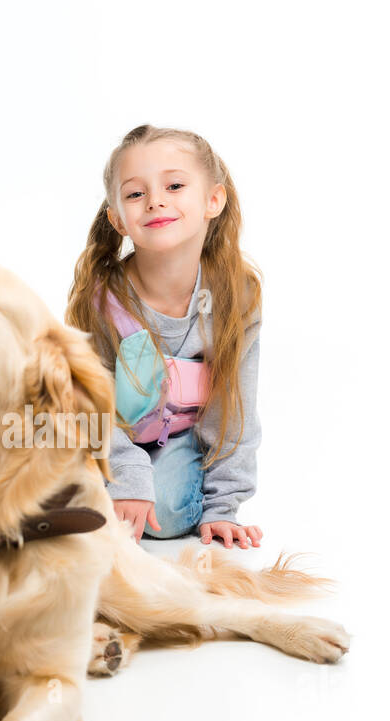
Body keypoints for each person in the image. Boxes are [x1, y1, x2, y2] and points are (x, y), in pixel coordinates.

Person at [66, 124, 265, 549]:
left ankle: (113, 501)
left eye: (174, 185)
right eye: (136, 193)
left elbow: (237, 405)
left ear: (213, 199)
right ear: (118, 218)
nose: (155, 200)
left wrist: (222, 508)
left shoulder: (236, 295)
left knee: (168, 511)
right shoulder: (102, 299)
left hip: (180, 444)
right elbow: (89, 400)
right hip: (107, 439)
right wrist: (128, 474)